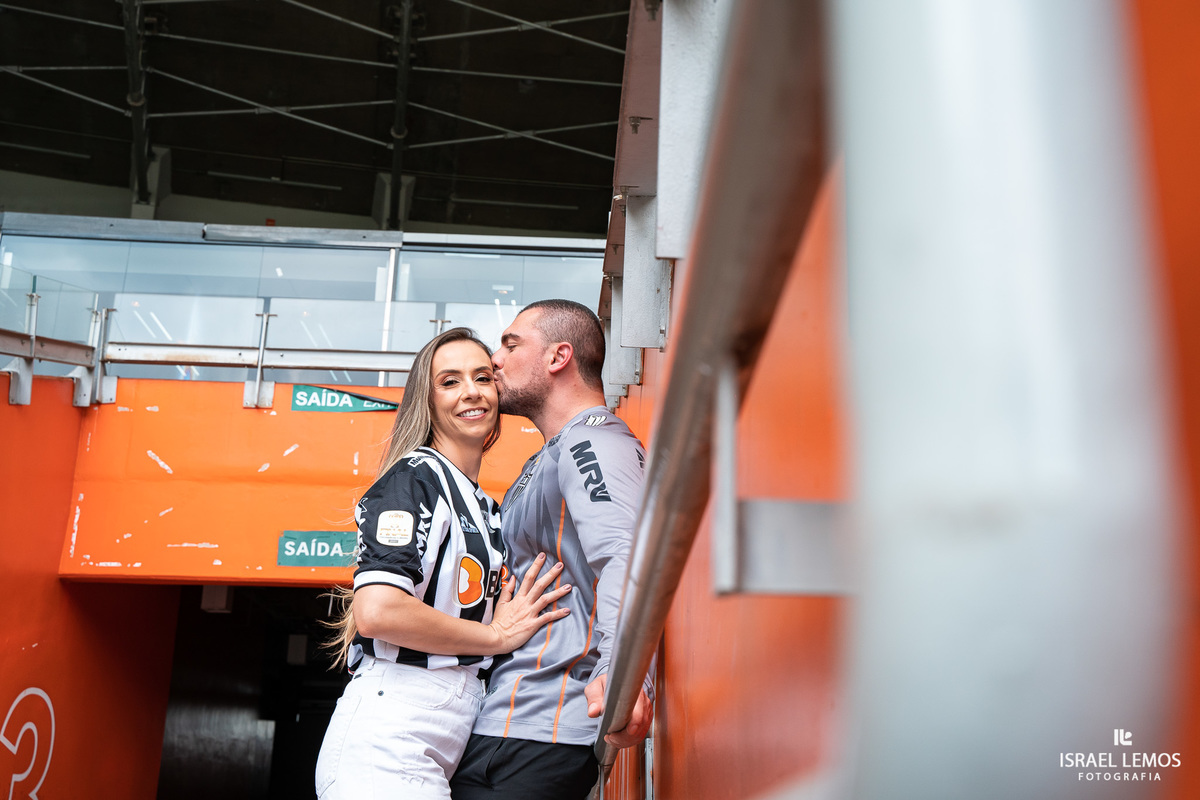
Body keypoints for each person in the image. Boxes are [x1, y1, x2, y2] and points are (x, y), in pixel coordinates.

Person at [316, 327, 573, 800]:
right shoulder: (414, 478)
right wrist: (495, 636)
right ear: (427, 400)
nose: (471, 391)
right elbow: (379, 612)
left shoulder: (484, 504)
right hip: (388, 738)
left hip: (443, 732)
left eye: (482, 376)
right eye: (449, 381)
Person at [450, 300, 654, 800]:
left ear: (559, 356)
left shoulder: (593, 443)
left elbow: (625, 557)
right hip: (501, 724)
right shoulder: (549, 454)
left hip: (542, 730)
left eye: (511, 345)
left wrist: (624, 674)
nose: (494, 359)